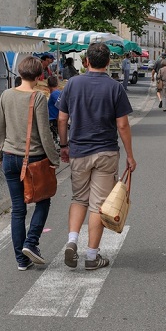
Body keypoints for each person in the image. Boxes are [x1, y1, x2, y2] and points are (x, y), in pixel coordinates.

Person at [58, 42, 136, 270]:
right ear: (108, 62)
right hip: (105, 151)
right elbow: (122, 125)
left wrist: (64, 145)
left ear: (86, 61)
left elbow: (62, 119)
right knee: (98, 204)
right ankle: (92, 256)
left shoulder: (73, 84)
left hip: (79, 151)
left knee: (79, 198)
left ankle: (72, 241)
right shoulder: (115, 88)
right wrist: (130, 155)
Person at [0, 56, 60, 271]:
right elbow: (44, 133)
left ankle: (21, 260)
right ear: (39, 76)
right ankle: (31, 243)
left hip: (9, 156)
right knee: (43, 200)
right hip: (33, 158)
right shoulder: (38, 97)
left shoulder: (6, 95)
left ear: (20, 73)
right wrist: (54, 159)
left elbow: (0, 128)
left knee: (18, 209)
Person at [47, 75, 61, 144]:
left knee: (54, 140)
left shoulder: (54, 94)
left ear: (48, 85)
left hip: (53, 120)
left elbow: (61, 106)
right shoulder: (57, 93)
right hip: (54, 120)